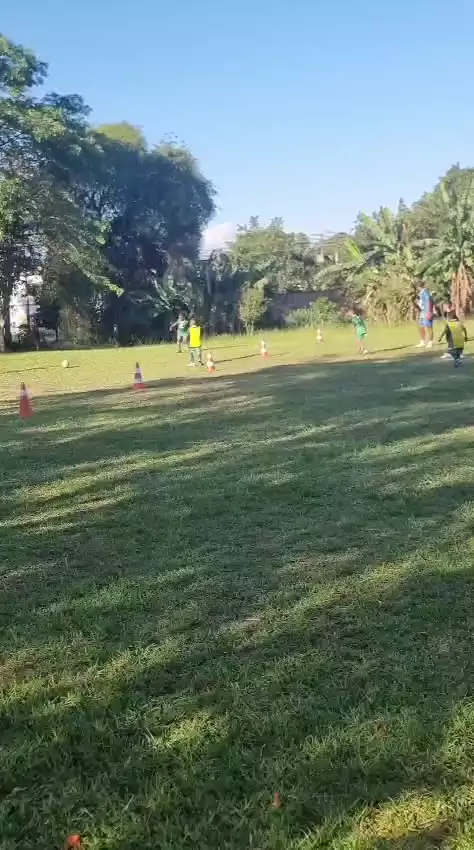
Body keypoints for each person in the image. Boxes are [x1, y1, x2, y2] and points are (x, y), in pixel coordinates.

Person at [416, 283, 434, 348]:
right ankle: (422, 342)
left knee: (429, 327)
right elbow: (422, 302)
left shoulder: (426, 292)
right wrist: (418, 303)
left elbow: (429, 301)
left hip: (427, 311)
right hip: (423, 311)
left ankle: (430, 342)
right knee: (420, 326)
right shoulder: (421, 293)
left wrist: (429, 312)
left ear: (418, 286)